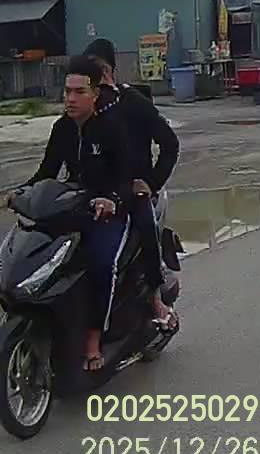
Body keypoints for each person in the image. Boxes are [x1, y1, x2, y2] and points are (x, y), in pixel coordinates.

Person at [15, 56, 134, 371]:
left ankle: (94, 338)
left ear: (95, 94)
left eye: (79, 91)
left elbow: (126, 178)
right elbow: (46, 173)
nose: (70, 98)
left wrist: (111, 200)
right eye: (67, 91)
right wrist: (17, 194)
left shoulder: (111, 128)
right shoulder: (62, 128)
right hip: (74, 207)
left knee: (101, 264)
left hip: (110, 212)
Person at [82, 38, 180, 333]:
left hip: (134, 190)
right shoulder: (85, 109)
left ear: (107, 71)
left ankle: (155, 298)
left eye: (95, 72)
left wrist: (151, 182)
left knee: (145, 225)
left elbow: (170, 144)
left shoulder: (134, 103)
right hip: (96, 190)